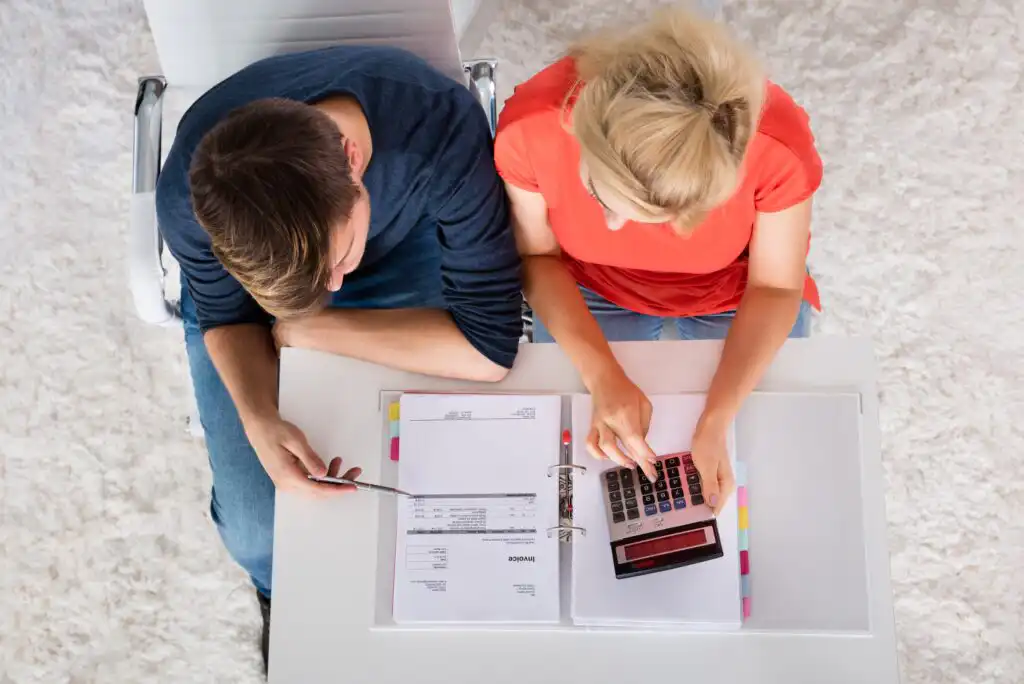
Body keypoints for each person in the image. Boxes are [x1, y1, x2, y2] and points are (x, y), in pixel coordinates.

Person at [155, 46, 523, 671]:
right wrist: (256, 416)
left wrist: (311, 329)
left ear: (352, 160)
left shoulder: (438, 132)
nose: (335, 285)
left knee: (435, 480)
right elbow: (226, 315)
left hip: (403, 244)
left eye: (337, 257)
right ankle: (281, 594)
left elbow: (489, 347)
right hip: (260, 303)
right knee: (256, 528)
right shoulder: (194, 195)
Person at [494, 9, 823, 517]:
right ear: (578, 131)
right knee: (580, 451)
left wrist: (716, 419)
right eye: (600, 196)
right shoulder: (530, 127)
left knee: (770, 457)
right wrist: (602, 374)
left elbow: (777, 288)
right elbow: (538, 256)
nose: (610, 228)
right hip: (588, 285)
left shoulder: (776, 146)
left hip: (735, 290)